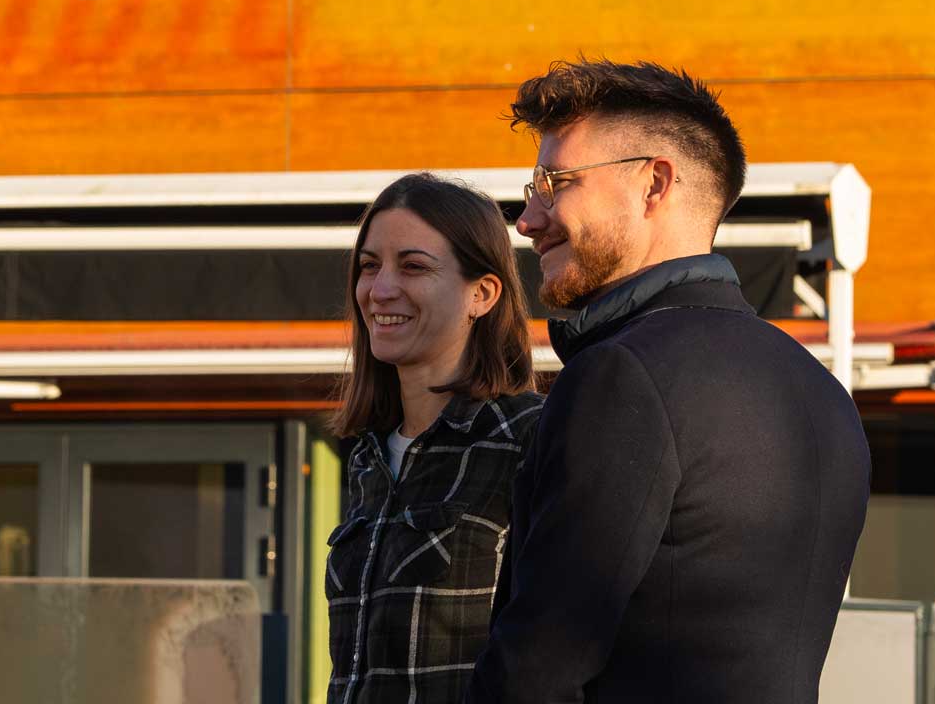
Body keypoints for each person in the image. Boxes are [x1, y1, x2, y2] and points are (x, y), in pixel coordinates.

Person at [466, 59, 871, 704]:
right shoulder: (820, 392)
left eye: (554, 184)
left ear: (654, 183)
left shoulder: (620, 377)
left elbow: (537, 669)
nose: (527, 219)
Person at [325, 173, 543, 704]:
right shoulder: (368, 458)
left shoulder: (532, 435)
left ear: (482, 294)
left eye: (413, 266)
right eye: (369, 265)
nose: (379, 289)